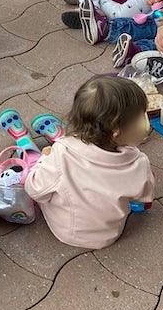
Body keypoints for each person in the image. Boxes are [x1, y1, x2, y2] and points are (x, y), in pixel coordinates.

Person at [25, 76, 154, 249]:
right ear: (116, 132)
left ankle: (41, 147)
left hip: (66, 231)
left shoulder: (62, 154)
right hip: (109, 234)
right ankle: (59, 139)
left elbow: (34, 190)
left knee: (44, 172)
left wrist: (45, 159)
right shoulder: (139, 162)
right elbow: (144, 198)